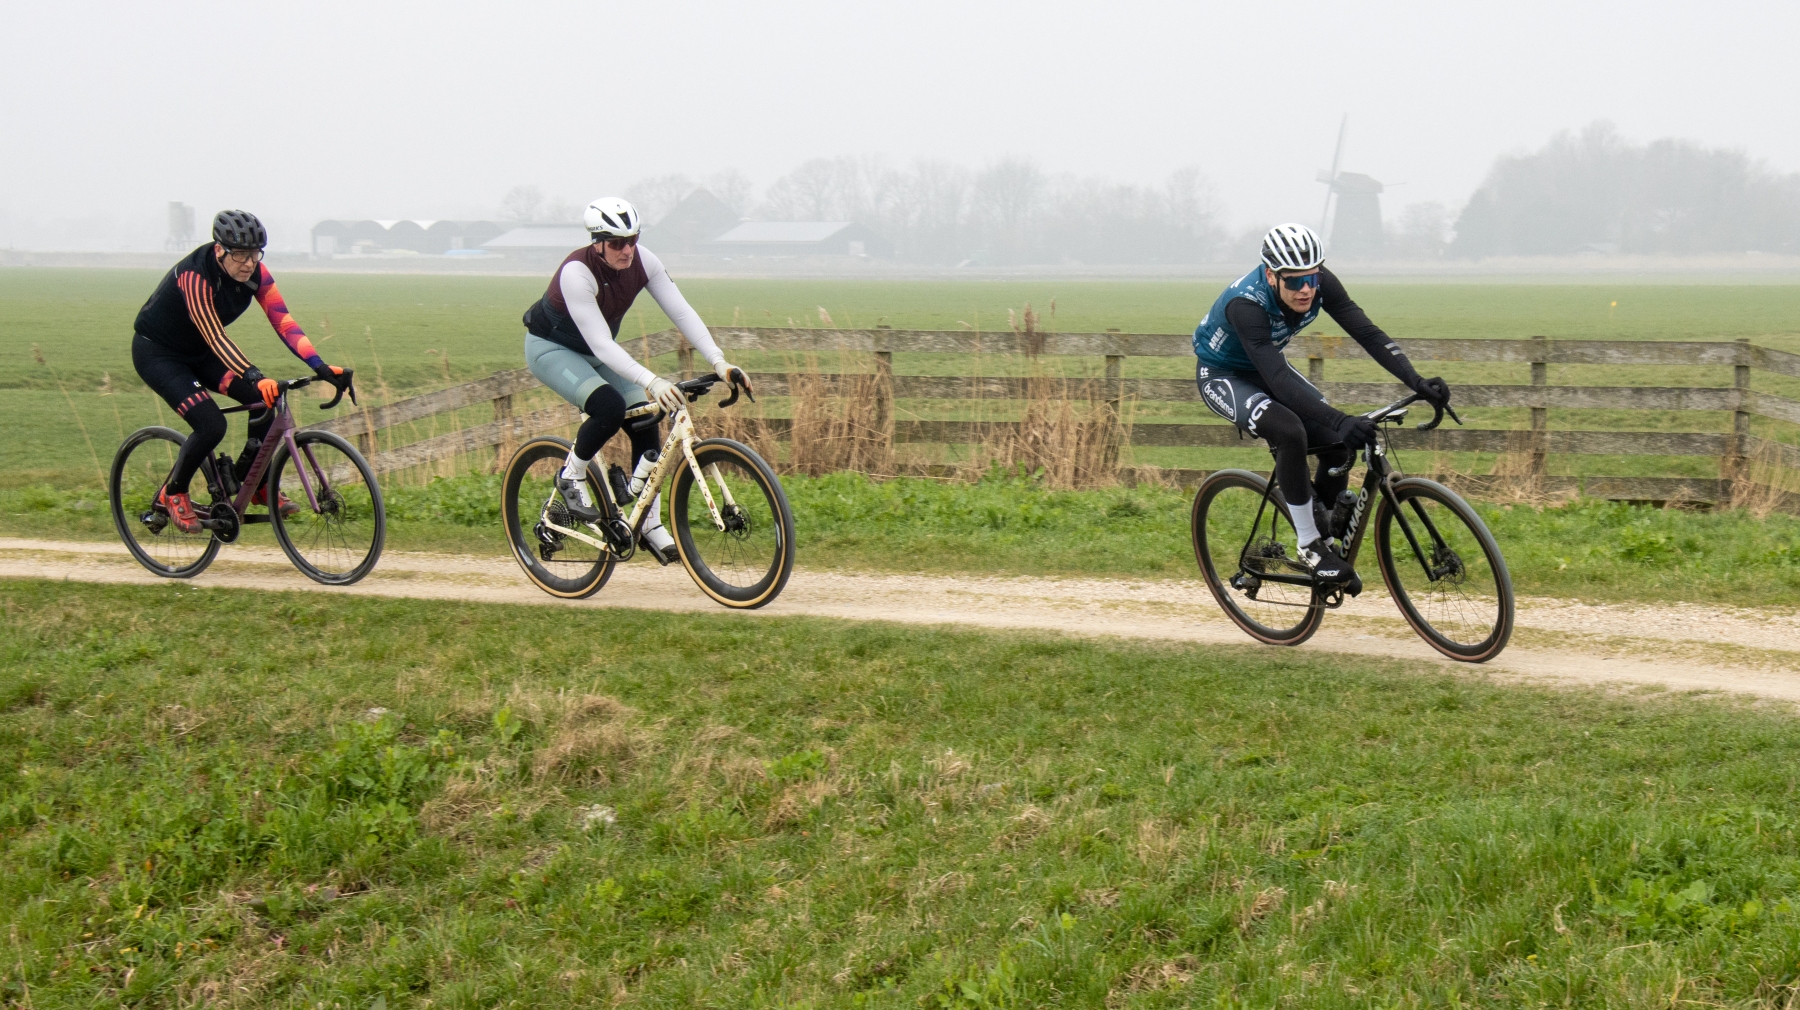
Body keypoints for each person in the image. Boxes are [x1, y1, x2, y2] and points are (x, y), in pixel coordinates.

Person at [1192, 223, 1450, 584]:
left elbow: (1367, 333)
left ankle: (1324, 533)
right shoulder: (1246, 304)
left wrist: (1416, 380)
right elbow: (1277, 379)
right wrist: (1342, 419)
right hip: (1224, 375)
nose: (1306, 289)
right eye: (1295, 281)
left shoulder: (1318, 283)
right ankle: (1310, 545)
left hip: (1267, 367)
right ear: (1271, 275)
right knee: (1288, 431)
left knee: (1337, 442)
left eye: (1312, 278)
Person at [521, 196, 750, 564]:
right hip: (553, 349)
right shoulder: (577, 273)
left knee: (646, 417)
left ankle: (649, 523)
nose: (627, 250)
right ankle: (571, 475)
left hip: (597, 353)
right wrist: (654, 381)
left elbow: (682, 312)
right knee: (608, 407)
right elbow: (601, 343)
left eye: (633, 240)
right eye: (616, 243)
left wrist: (720, 362)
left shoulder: (644, 262)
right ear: (597, 242)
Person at [132, 210, 351, 533]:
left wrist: (319, 365)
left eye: (255, 254)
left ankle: (257, 483)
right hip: (159, 354)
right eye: (240, 255)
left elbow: (284, 321)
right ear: (219, 250)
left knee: (264, 401)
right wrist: (254, 375)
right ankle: (174, 492)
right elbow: (215, 337)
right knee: (210, 424)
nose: (249, 263)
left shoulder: (257, 275)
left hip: (200, 352)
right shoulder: (195, 276)